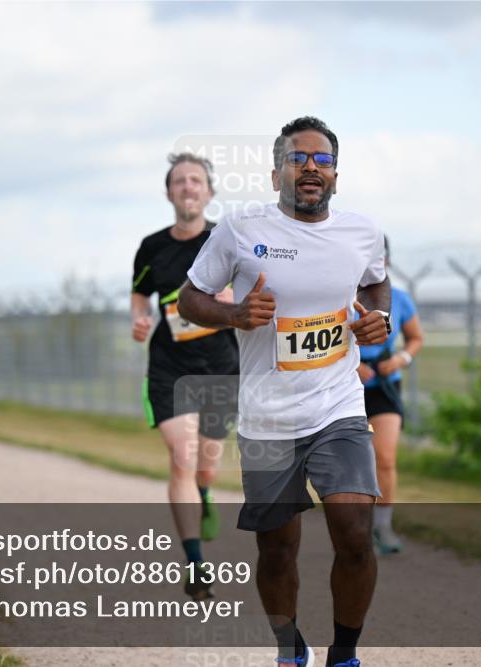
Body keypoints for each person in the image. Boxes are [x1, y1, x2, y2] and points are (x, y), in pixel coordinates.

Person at [178, 117, 390, 667]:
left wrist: (379, 318)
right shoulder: (240, 229)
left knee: (354, 531)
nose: (311, 168)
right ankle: (289, 647)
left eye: (322, 160)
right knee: (276, 549)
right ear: (277, 175)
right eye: (298, 159)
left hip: (338, 406)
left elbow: (374, 280)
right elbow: (189, 298)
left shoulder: (363, 232)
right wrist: (234, 314)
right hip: (269, 418)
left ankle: (343, 654)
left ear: (336, 176)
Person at [131, 153, 239, 601]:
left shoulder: (227, 239)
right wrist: (138, 319)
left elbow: (253, 288)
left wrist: (231, 301)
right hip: (169, 368)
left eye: (196, 180)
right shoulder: (152, 246)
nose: (188, 187)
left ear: (209, 192)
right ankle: (195, 564)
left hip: (220, 367)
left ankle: (203, 490)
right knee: (183, 455)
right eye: (180, 181)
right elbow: (140, 295)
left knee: (206, 462)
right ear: (169, 192)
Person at [357, 236, 424, 555]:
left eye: (378, 258)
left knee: (384, 456)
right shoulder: (340, 299)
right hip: (347, 388)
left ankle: (383, 526)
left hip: (385, 386)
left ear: (386, 262)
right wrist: (352, 366)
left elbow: (415, 339)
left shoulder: (399, 299)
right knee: (355, 463)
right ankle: (357, 526)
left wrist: (400, 360)